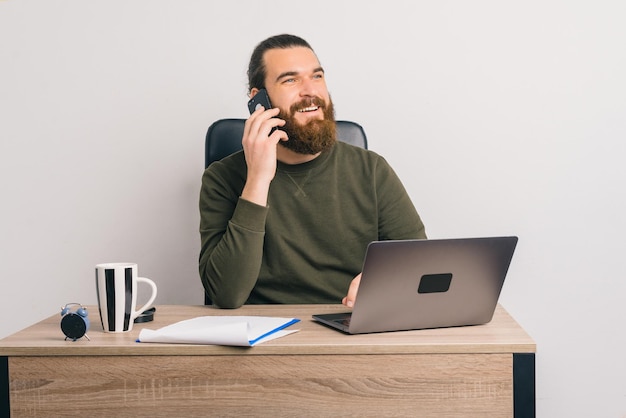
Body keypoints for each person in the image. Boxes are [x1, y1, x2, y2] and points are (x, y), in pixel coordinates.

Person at [199, 34, 426, 309]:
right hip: (261, 336)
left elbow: (419, 267)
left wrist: (386, 280)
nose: (311, 91)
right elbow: (226, 295)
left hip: (349, 325)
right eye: (290, 80)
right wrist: (258, 179)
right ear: (259, 101)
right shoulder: (221, 179)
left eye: (317, 77)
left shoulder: (371, 170)